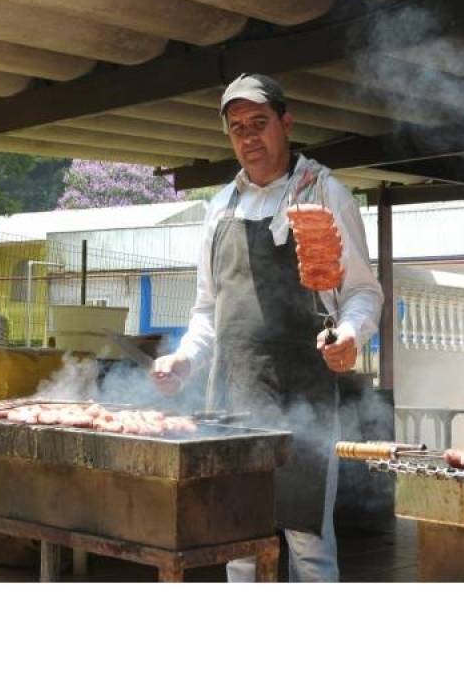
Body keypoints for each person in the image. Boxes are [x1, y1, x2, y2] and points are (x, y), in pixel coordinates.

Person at [151, 73, 383, 582]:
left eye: (260, 123)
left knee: (309, 545)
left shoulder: (325, 193)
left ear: (286, 122)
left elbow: (363, 292)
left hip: (301, 398)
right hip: (231, 404)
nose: (249, 137)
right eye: (237, 128)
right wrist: (184, 359)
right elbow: (207, 309)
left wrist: (350, 336)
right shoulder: (219, 208)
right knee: (237, 544)